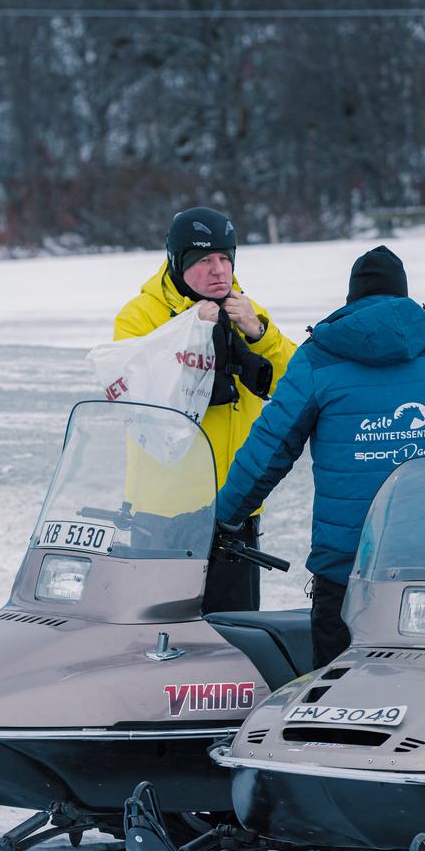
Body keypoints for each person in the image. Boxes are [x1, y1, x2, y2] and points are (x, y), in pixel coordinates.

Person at [214, 247, 425, 662]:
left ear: (351, 299)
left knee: (337, 693)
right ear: (404, 297)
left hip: (346, 565)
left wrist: (226, 515)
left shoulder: (318, 356)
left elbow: (270, 447)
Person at [115, 207, 297, 611]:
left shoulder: (246, 311)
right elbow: (134, 390)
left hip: (234, 502)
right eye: (204, 260)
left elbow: (298, 384)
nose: (219, 270)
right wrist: (188, 330)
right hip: (163, 509)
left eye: (225, 258)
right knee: (158, 629)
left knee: (234, 635)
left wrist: (261, 334)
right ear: (177, 263)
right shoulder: (140, 316)